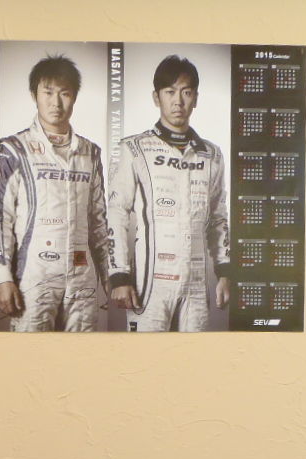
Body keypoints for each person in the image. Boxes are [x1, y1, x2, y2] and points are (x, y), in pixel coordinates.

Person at [0, 55, 109, 332]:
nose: (56, 103)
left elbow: (99, 222)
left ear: (74, 97)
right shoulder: (14, 148)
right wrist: (3, 278)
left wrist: (110, 275)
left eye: (65, 93)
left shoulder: (90, 152)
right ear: (34, 95)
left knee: (82, 356)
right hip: (33, 276)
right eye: (48, 92)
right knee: (33, 356)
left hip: (82, 278)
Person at [107, 55, 230, 332]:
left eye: (186, 92)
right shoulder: (134, 148)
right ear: (156, 97)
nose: (178, 102)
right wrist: (119, 276)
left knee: (194, 356)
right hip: (150, 284)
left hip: (196, 284)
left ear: (195, 98)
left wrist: (225, 272)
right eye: (170, 92)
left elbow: (219, 217)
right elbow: (116, 212)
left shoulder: (212, 155)